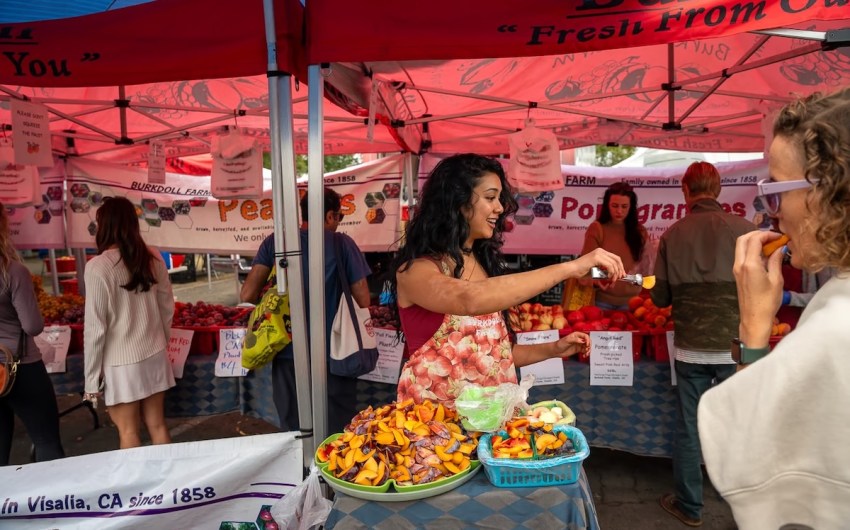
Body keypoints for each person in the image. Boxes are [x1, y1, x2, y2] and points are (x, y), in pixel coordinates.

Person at [698, 88, 850, 528]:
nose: (774, 212)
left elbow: (756, 465)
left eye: (779, 189)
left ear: (827, 194)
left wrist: (753, 326)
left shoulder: (836, 331)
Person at [388, 154, 625, 406]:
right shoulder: (415, 271)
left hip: (491, 427)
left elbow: (499, 353)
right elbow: (468, 298)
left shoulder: (485, 267)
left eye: (499, 198)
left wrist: (554, 349)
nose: (500, 208)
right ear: (457, 203)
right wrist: (572, 267)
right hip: (437, 427)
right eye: (490, 197)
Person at [650, 161, 757, 527]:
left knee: (689, 426)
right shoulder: (746, 232)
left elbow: (660, 299)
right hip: (737, 347)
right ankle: (746, 504)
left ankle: (690, 506)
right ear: (718, 189)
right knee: (737, 422)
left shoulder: (672, 235)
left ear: (685, 190)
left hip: (691, 349)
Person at [240, 188, 370, 434]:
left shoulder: (277, 242)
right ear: (330, 215)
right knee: (337, 429)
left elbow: (247, 294)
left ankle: (300, 471)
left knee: (294, 429)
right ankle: (331, 471)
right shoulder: (342, 244)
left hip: (287, 351)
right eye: (339, 217)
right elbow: (363, 298)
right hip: (335, 353)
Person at [84, 197, 175, 449]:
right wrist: (160, 340)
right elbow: (168, 308)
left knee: (128, 432)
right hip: (154, 353)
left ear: (104, 226)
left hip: (120, 362)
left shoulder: (98, 267)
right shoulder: (152, 258)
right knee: (158, 426)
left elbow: (95, 329)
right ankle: (172, 485)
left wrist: (91, 382)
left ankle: (137, 488)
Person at [0, 204, 65, 465]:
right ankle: (54, 501)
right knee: (46, 439)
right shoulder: (12, 271)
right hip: (20, 367)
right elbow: (32, 326)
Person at [579, 181, 648, 310]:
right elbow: (584, 268)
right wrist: (601, 279)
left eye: (624, 206)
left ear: (631, 207)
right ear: (607, 205)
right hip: (602, 302)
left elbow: (645, 272)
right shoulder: (597, 229)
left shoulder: (641, 231)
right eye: (615, 206)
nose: (619, 211)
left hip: (634, 302)